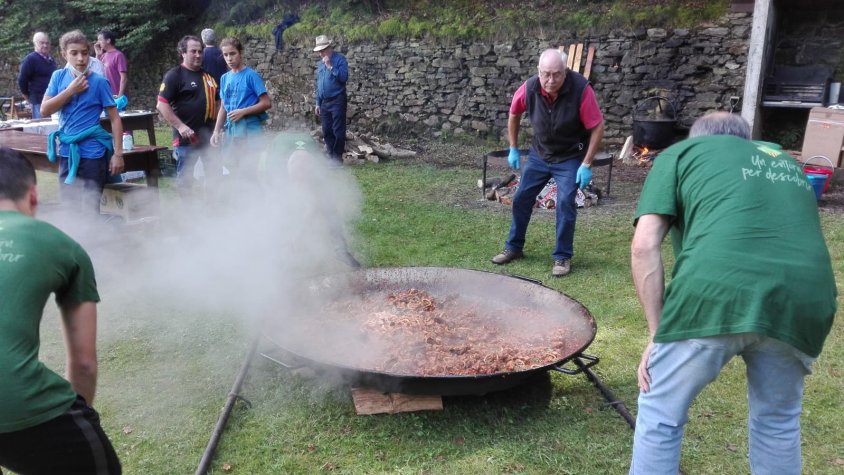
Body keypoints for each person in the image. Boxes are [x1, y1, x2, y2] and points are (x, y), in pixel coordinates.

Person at [629, 112, 837, 474]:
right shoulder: (786, 163)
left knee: (661, 413)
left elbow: (644, 246)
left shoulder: (680, 154)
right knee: (777, 421)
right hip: (804, 302)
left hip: (716, 291)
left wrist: (657, 333)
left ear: (696, 138)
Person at [0, 147, 121, 474]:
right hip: (19, 404)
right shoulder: (61, 245)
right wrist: (81, 420)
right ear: (33, 195)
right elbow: (84, 364)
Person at [491, 49, 604, 277]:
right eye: (546, 74)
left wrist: (586, 164)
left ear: (565, 72)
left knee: (565, 202)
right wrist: (513, 147)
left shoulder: (581, 90)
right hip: (540, 155)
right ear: (538, 71)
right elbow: (514, 113)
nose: (550, 80)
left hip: (570, 157)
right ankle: (514, 247)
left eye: (556, 74)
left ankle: (562, 256)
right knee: (521, 198)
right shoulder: (529, 87)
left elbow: (597, 126)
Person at [41, 30, 124, 215]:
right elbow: (45, 110)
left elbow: (115, 118)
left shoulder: (100, 82)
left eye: (85, 53)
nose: (80, 58)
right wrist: (70, 91)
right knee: (69, 208)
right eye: (74, 53)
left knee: (90, 209)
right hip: (67, 152)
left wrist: (118, 154)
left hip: (93, 154)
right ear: (64, 55)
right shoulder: (58, 77)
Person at [156, 35, 220, 195]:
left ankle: (212, 207)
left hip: (209, 137)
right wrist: (180, 126)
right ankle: (186, 209)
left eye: (200, 51)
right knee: (186, 180)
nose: (198, 55)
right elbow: (161, 104)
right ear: (183, 53)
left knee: (214, 176)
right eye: (193, 51)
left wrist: (219, 128)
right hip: (186, 139)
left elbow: (219, 103)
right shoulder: (174, 75)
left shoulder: (208, 77)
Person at [210, 37, 272, 179]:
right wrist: (216, 131)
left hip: (250, 130)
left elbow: (266, 103)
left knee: (249, 171)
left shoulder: (251, 76)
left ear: (240, 53)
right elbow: (223, 107)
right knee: (233, 170)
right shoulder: (224, 78)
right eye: (225, 55)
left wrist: (243, 112)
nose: (229, 58)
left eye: (232, 53)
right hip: (232, 131)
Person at [313, 35, 349, 164]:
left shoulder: (339, 60)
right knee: (327, 130)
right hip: (324, 102)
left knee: (338, 130)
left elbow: (343, 77)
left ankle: (337, 158)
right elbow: (319, 85)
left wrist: (330, 66)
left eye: (322, 51)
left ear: (329, 48)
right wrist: (318, 103)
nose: (320, 54)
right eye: (319, 51)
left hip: (337, 99)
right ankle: (331, 156)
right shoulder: (320, 65)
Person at [17, 32, 57, 119]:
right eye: (42, 43)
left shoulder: (51, 60)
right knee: (41, 125)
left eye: (47, 43)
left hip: (52, 100)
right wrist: (28, 97)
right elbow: (22, 80)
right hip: (38, 101)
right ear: (35, 43)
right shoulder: (30, 59)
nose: (45, 45)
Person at [96, 30, 128, 97]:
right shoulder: (103, 56)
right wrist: (98, 55)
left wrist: (120, 95)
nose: (98, 43)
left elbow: (124, 77)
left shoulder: (118, 55)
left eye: (100, 40)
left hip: (116, 95)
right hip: (105, 94)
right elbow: (96, 71)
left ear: (108, 40)